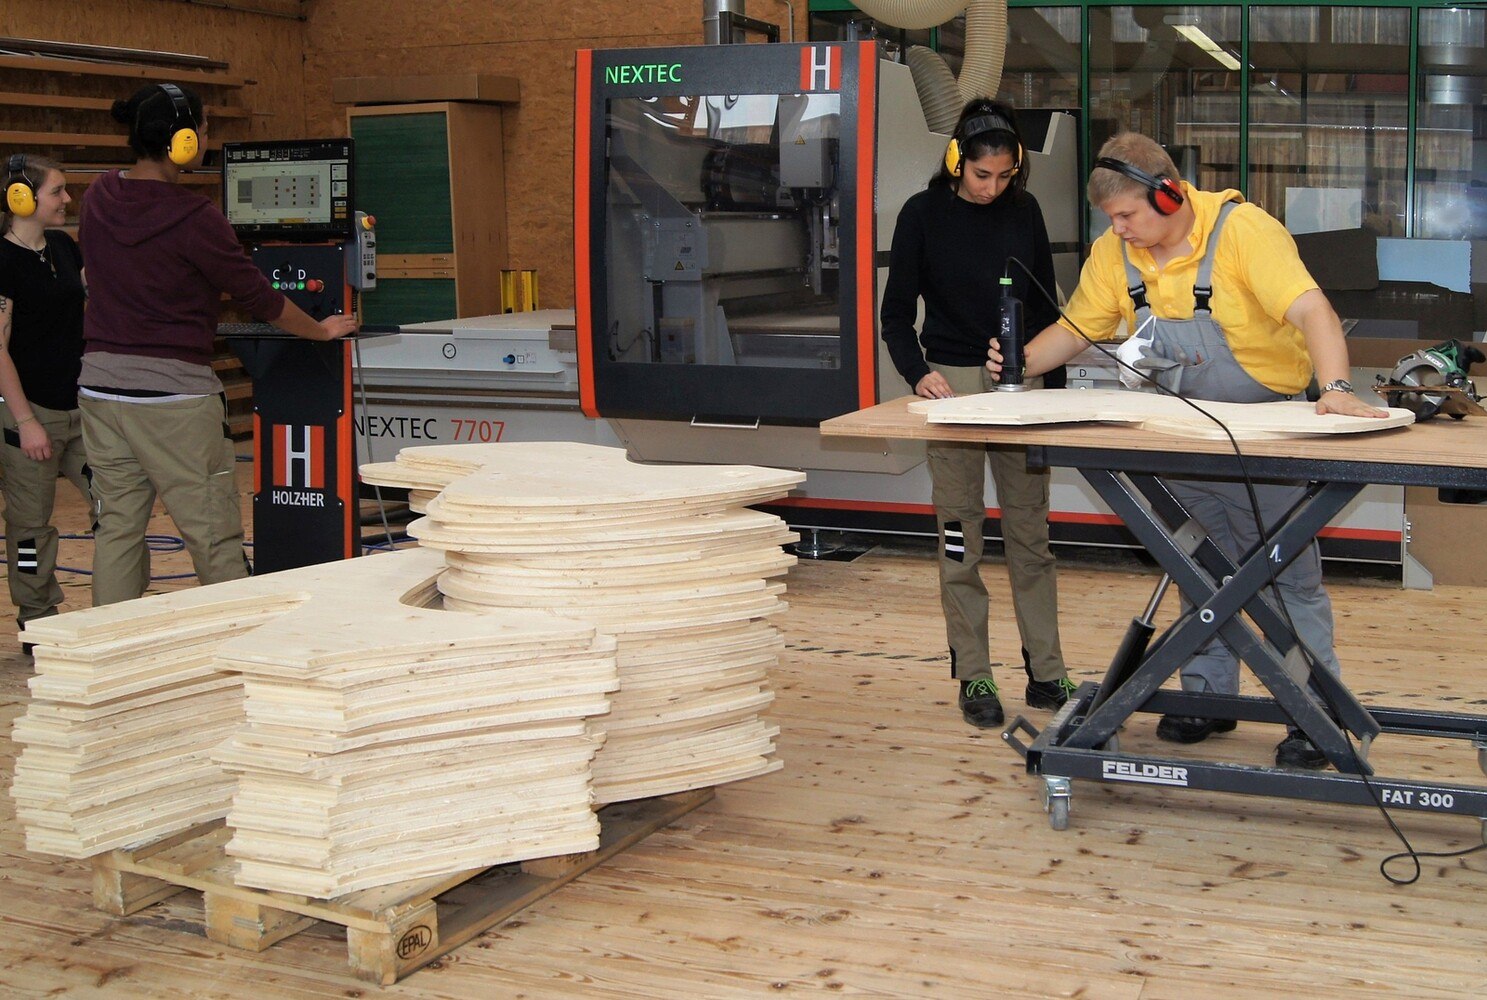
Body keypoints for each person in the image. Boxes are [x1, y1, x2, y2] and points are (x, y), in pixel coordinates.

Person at [986, 131, 1386, 767]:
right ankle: (1205, 697)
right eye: (1110, 219)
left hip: (1268, 433)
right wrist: (1017, 363)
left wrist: (1336, 388)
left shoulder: (1242, 233)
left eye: (1127, 215)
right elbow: (1076, 328)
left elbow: (1314, 312)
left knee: (1287, 577)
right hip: (1182, 433)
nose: (1118, 230)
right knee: (1198, 567)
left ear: (1169, 195)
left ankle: (1315, 717)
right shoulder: (1116, 255)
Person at [78, 83, 357, 606]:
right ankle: (240, 647)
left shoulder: (97, 196)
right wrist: (322, 329)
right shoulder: (194, 218)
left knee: (116, 529)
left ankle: (109, 653)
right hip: (174, 399)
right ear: (182, 141)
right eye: (204, 129)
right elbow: (261, 298)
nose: (206, 137)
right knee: (211, 532)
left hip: (99, 390)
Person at [881, 99, 1075, 730]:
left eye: (1004, 176)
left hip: (1023, 381)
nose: (993, 189)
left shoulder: (1027, 211)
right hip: (954, 388)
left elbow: (1047, 303)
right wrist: (920, 373)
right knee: (960, 534)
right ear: (957, 161)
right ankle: (975, 673)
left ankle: (1047, 673)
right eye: (982, 176)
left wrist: (1055, 392)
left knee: (1031, 538)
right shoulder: (922, 214)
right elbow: (895, 317)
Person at [0, 154, 95, 645]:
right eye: (58, 191)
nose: (66, 199)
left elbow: (90, 300)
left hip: (83, 411)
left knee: (115, 504)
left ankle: (116, 606)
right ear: (22, 197)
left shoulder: (62, 245)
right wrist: (25, 420)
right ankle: (37, 612)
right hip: (30, 414)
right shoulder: (2, 260)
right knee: (31, 529)